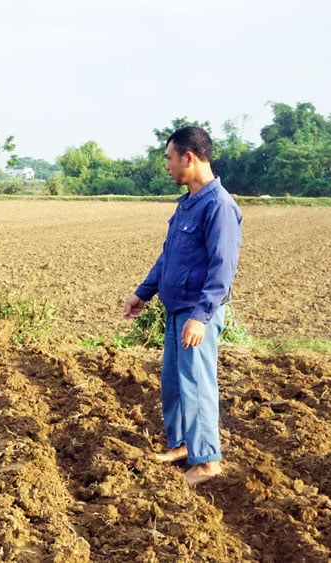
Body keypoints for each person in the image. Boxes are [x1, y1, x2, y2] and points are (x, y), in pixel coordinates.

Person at [123, 127, 242, 485]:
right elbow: (169, 257)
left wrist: (202, 316)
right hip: (178, 310)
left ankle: (207, 461)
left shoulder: (219, 207)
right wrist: (143, 293)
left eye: (169, 158)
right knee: (174, 384)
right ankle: (182, 445)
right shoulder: (188, 203)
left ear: (188, 157)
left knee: (197, 384)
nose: (167, 166)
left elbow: (223, 269)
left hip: (196, 313)